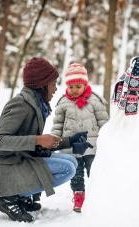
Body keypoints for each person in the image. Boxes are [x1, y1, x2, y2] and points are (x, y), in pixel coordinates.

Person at [0, 57, 93, 222]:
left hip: (21, 159)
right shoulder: (20, 104)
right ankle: (10, 197)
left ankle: (20, 196)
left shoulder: (37, 104)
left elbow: (38, 143)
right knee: (67, 169)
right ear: (42, 85)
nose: (56, 89)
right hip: (6, 167)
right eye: (53, 83)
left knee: (72, 161)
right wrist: (37, 140)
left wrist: (70, 141)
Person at [51, 63, 109, 212]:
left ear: (84, 84)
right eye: (71, 87)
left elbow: (104, 122)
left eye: (78, 86)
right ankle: (78, 195)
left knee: (94, 171)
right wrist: (55, 139)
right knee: (76, 174)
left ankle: (99, 195)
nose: (74, 90)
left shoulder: (95, 100)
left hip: (91, 145)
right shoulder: (63, 102)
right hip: (71, 147)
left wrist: (107, 139)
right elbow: (58, 124)